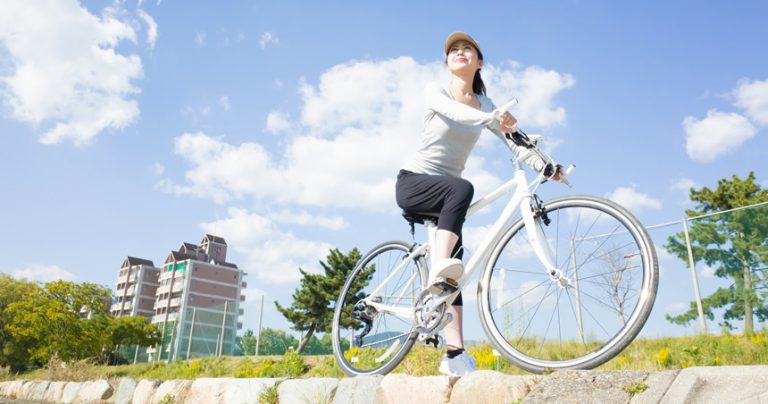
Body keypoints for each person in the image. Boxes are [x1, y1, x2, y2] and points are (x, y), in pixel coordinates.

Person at [395, 31, 554, 376]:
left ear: (479, 62)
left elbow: (516, 142)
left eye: (467, 48)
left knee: (453, 272)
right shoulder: (436, 91)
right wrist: (493, 119)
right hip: (414, 182)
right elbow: (454, 111)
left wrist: (545, 164)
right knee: (462, 190)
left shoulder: (485, 103)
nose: (460, 52)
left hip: (446, 194)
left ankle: (454, 355)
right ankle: (438, 271)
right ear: (447, 62)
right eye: (453, 49)